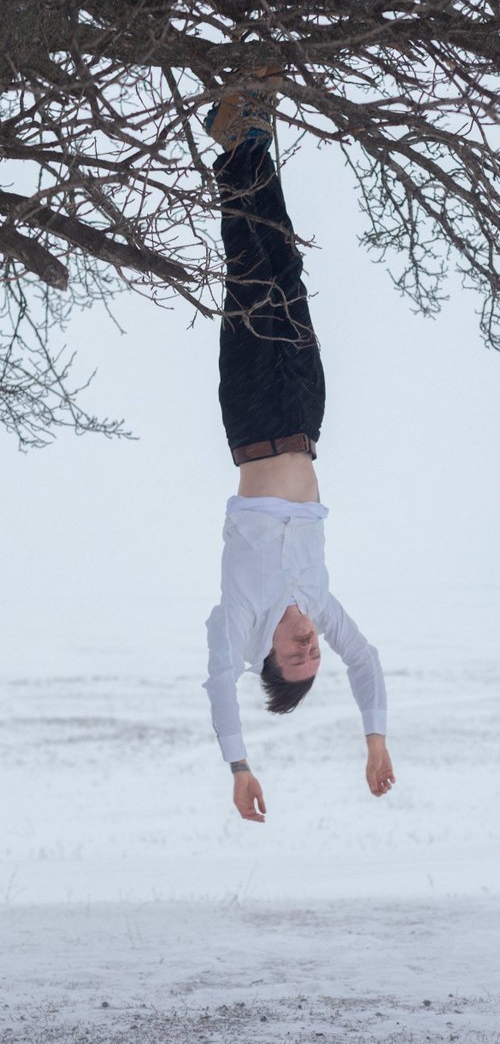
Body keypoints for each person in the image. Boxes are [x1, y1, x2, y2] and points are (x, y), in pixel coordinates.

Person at [203, 72, 396, 823]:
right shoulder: (319, 605)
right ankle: (246, 127)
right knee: (286, 261)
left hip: (251, 416)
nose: (311, 647)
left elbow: (220, 683)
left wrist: (239, 764)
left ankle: (238, 139)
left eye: (299, 657)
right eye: (316, 655)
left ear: (270, 656)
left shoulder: (239, 621)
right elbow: (369, 661)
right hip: (307, 418)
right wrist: (375, 740)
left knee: (251, 267)